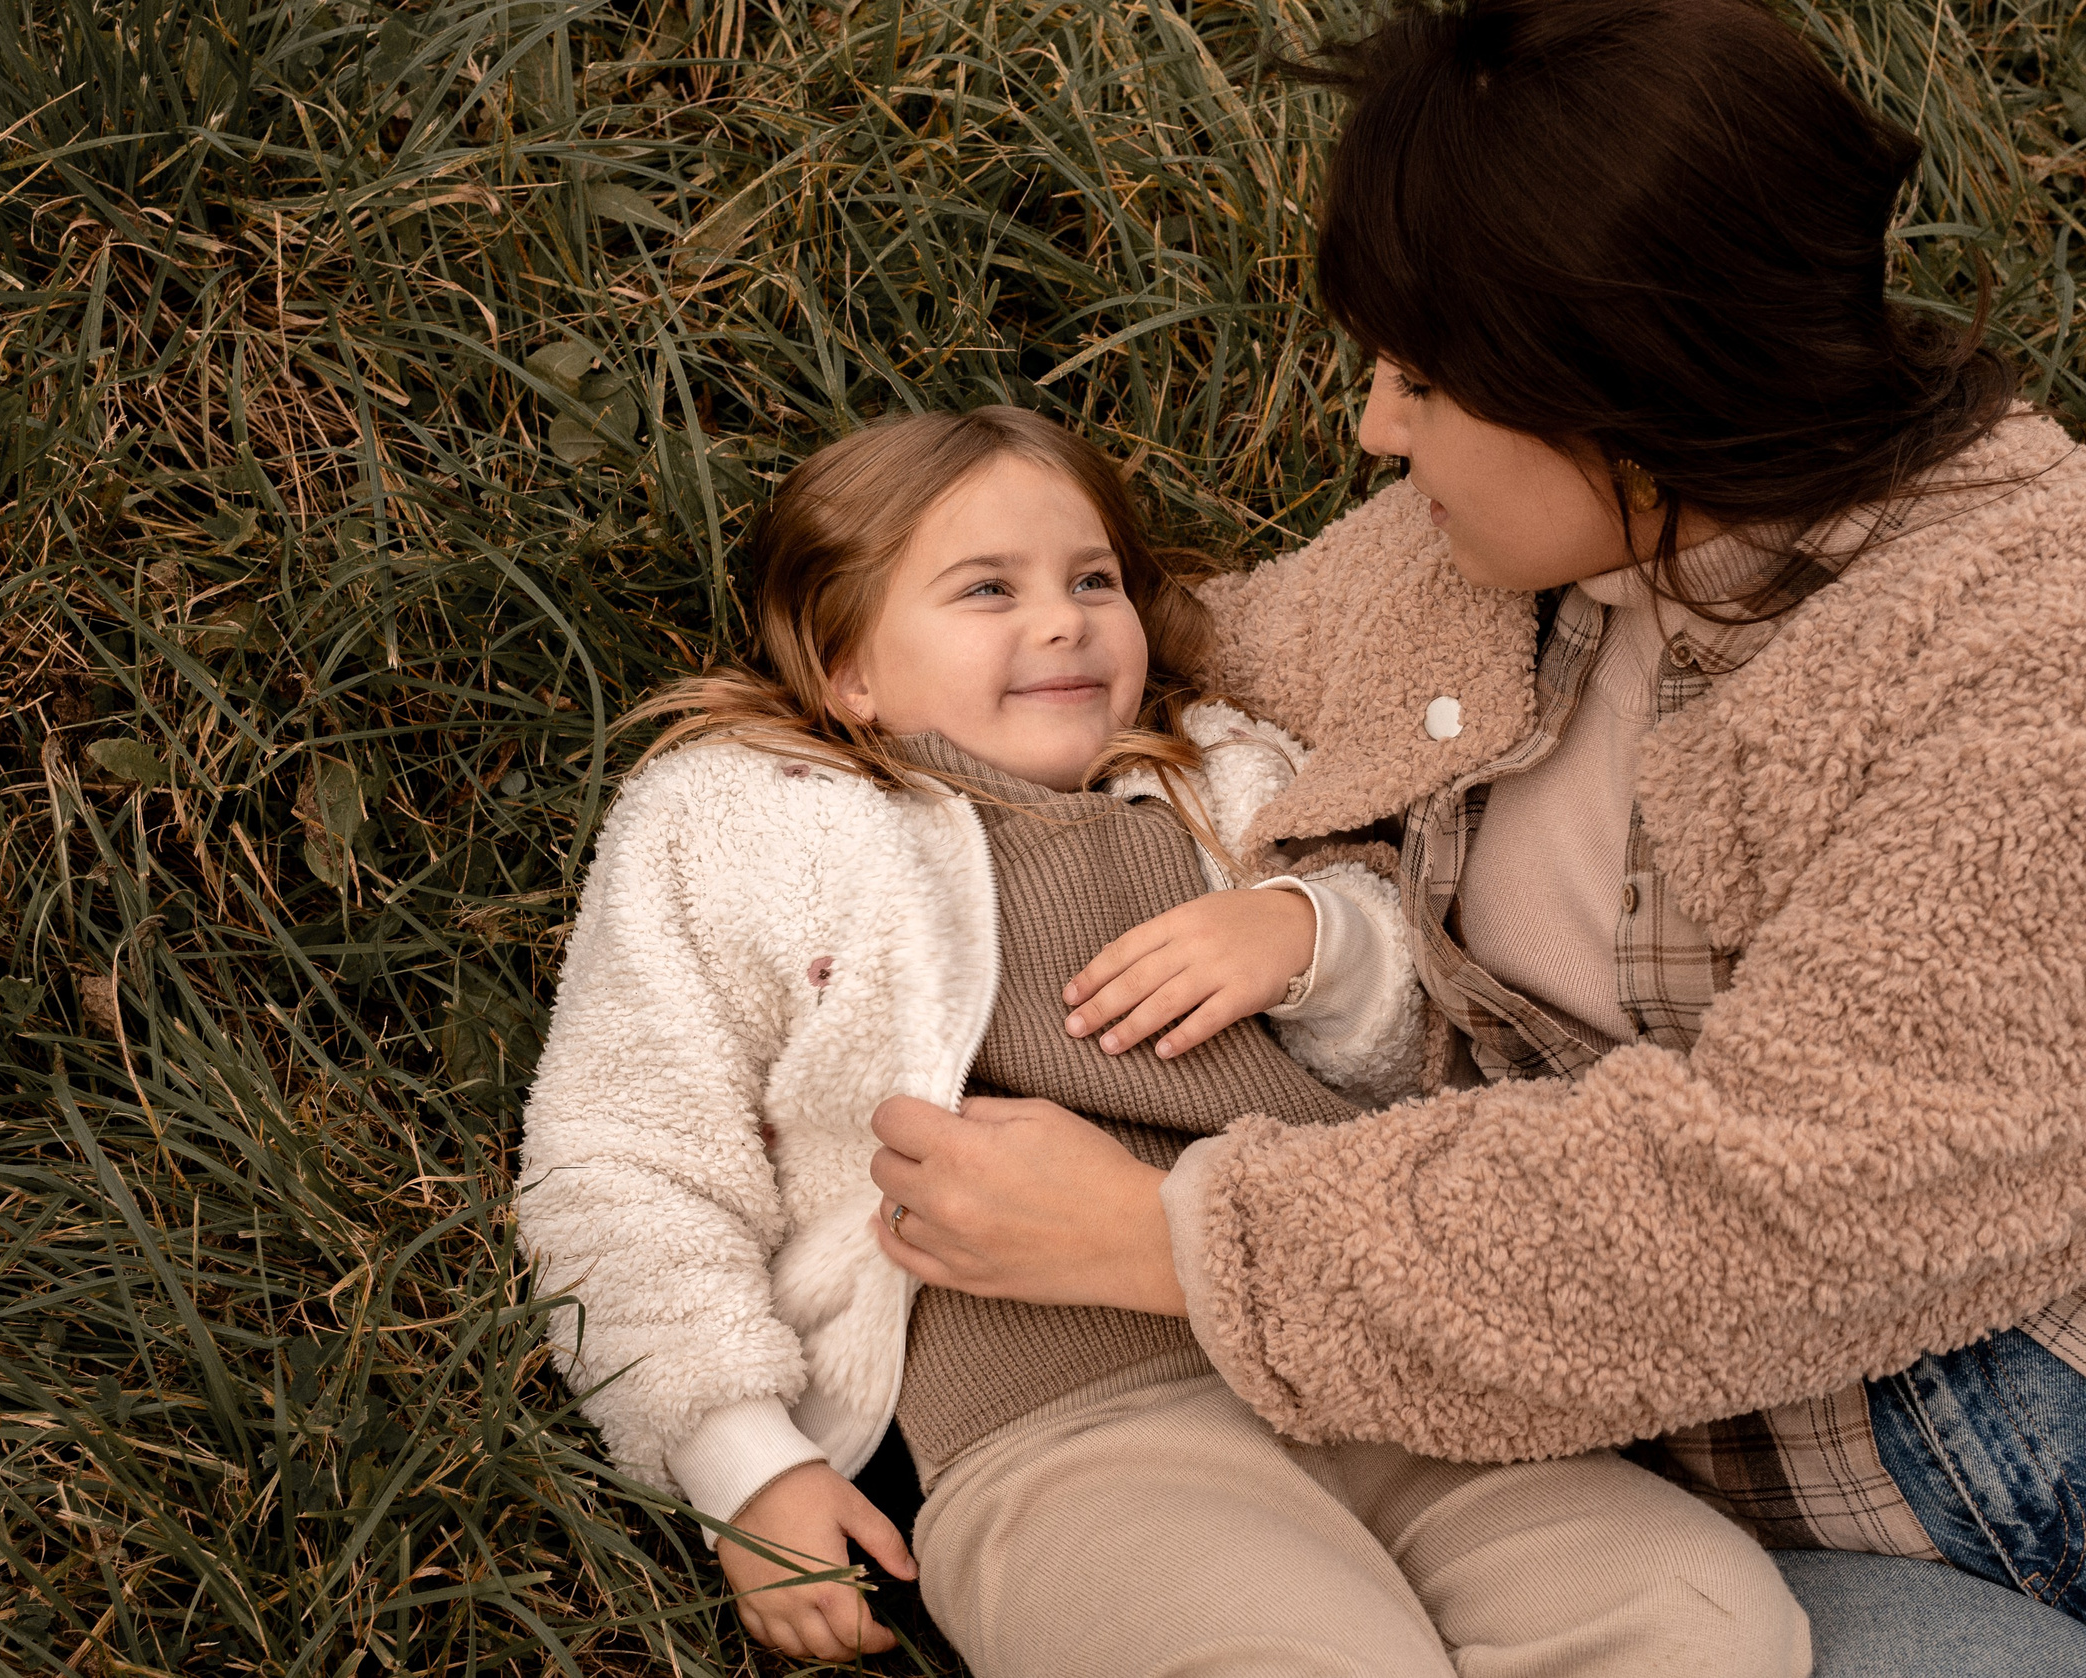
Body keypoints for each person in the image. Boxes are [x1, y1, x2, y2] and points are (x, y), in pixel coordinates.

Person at [861, 1, 2086, 1669]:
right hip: (1633, 1433)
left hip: (1986, 1449)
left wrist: (1173, 1239)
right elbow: (1186, 650)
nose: (1376, 428)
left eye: (1426, 382)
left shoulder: (2020, 665)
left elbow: (1781, 1212)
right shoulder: (1505, 555)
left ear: (1623, 386)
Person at [518, 406, 1810, 1675]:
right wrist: (744, 1462)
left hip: (1366, 1362)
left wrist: (1310, 935)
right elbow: (627, 1154)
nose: (1063, 619)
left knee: (1706, 1618)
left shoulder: (1225, 774)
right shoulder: (743, 823)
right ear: (846, 665)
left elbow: (1423, 1045)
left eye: (1094, 580)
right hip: (1058, 1421)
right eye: (987, 589)